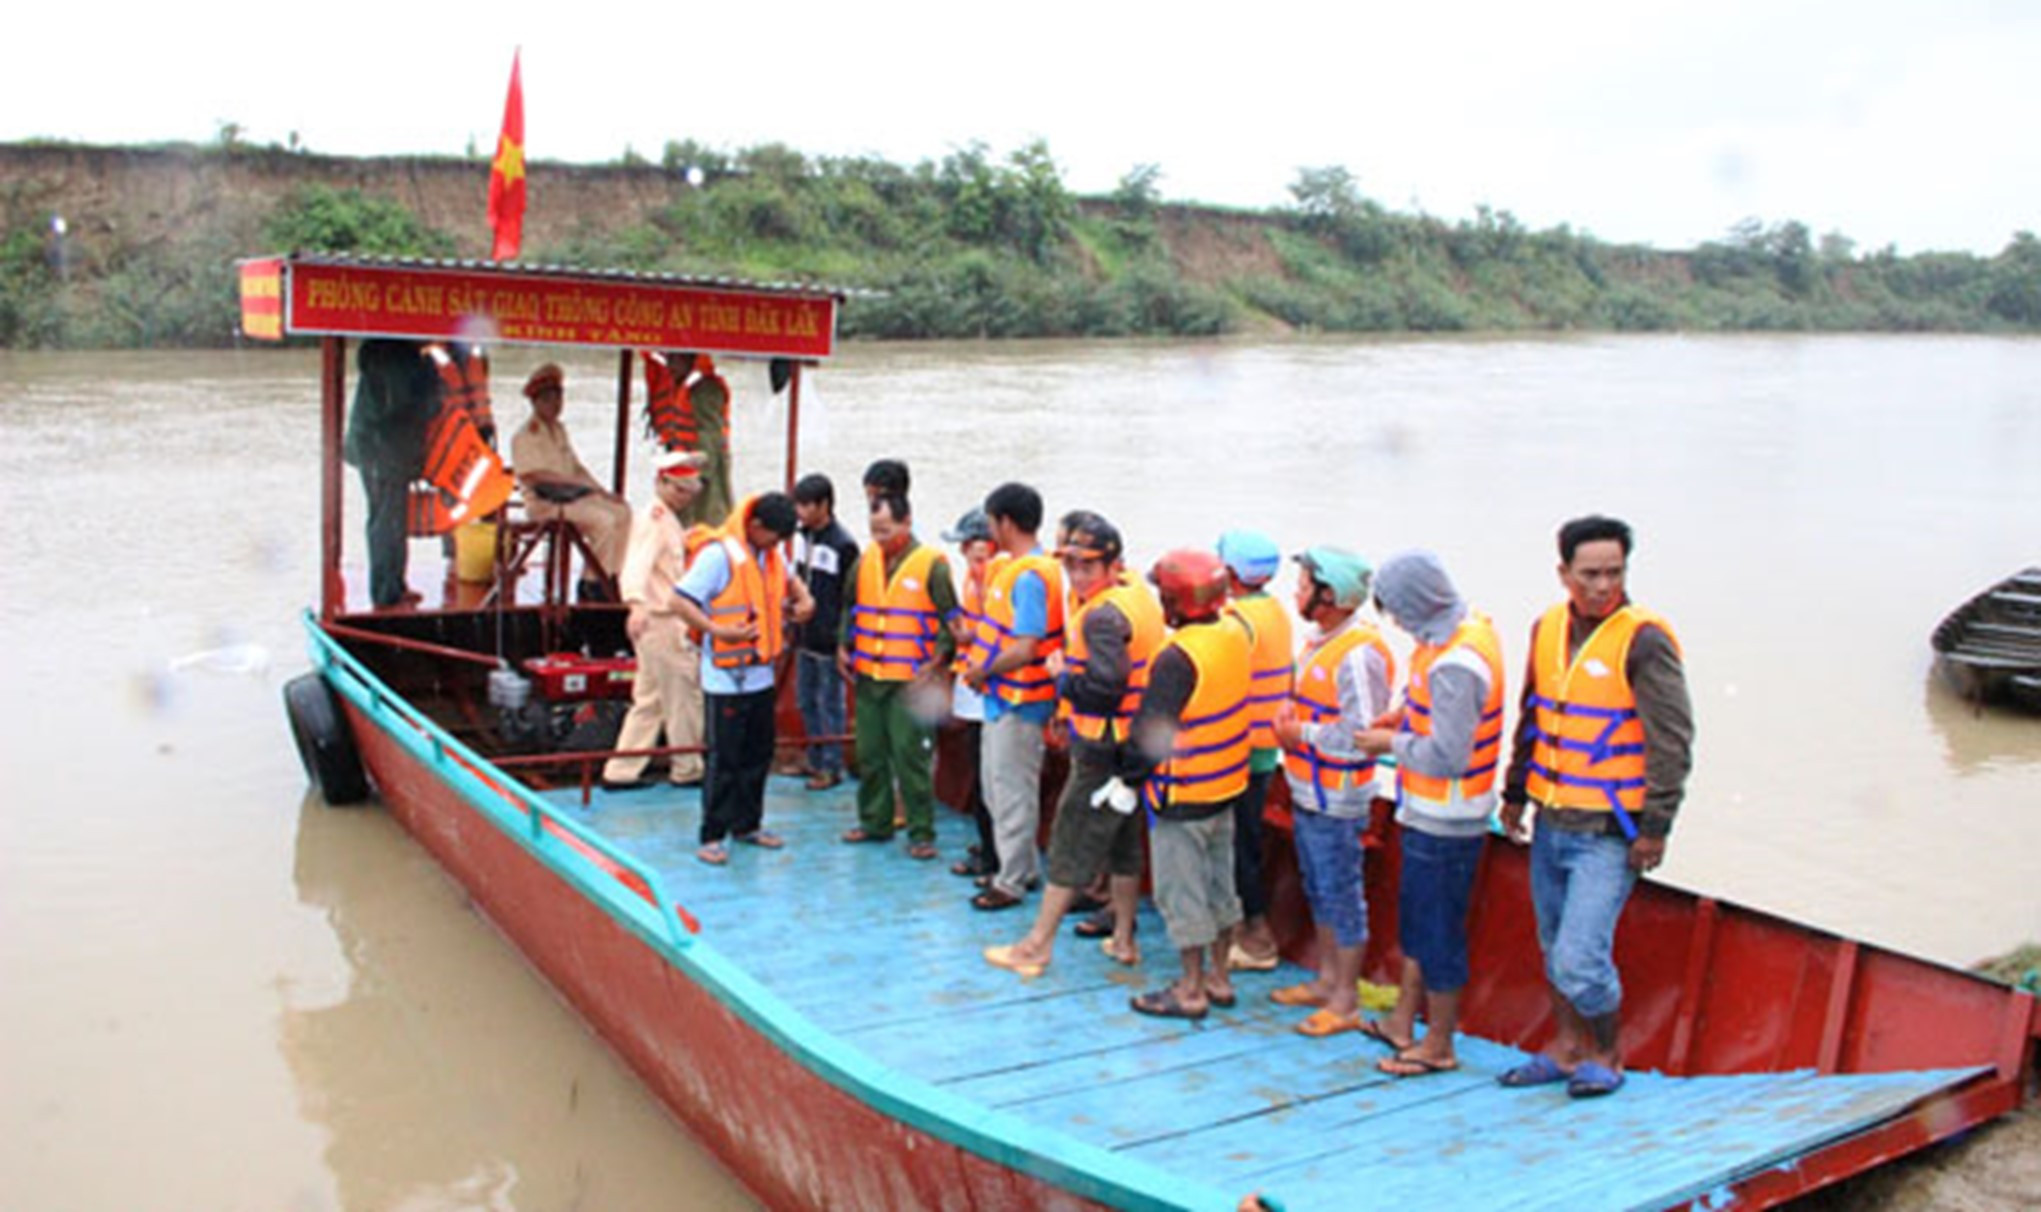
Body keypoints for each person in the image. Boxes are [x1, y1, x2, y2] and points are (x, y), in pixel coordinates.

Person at [1497, 515, 1694, 1098]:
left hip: (1610, 828)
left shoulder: (1645, 640)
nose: (1603, 586)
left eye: (1614, 573)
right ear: (1564, 573)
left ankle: (1606, 1053)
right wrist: (1514, 792)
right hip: (1552, 817)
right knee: (1552, 944)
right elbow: (1533, 715)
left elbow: (1672, 740)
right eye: (1590, 574)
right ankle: (1565, 1047)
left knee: (1580, 955)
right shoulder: (1547, 628)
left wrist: (1655, 826)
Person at [983, 514, 1162, 978]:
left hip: (1102, 748)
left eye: (1089, 567)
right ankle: (1124, 938)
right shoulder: (1137, 596)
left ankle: (1036, 946)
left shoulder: (1101, 617)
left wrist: (1062, 677)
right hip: (1133, 745)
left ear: (1113, 564)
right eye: (1072, 566)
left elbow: (1105, 690)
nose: (1078, 576)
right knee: (1123, 842)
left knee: (1069, 840)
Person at [1353, 550, 1506, 1078]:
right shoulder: (1458, 634)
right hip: (1425, 812)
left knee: (1437, 930)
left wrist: (1385, 742)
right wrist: (1400, 717)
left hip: (1448, 818)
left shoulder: (1457, 664)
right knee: (1419, 922)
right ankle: (1403, 1021)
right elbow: (1430, 711)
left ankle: (1438, 1042)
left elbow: (1448, 754)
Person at [1267, 547, 1394, 1037]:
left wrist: (1304, 735)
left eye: (1304, 585)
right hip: (1307, 788)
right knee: (1319, 887)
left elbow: (1362, 735)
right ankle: (1326, 980)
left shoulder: (1359, 654)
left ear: (1330, 596)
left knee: (1341, 893)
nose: (1296, 592)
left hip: (1338, 797)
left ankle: (1345, 999)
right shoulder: (1321, 641)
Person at [1126, 549, 1253, 1020]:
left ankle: (1191, 988)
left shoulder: (1177, 658)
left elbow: (1149, 733)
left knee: (1182, 893)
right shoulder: (1235, 633)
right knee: (1222, 886)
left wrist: (1125, 780)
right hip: (1225, 787)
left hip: (1182, 794)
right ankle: (1220, 978)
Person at [673, 492, 816, 865]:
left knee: (758, 753)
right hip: (725, 678)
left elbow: (793, 584)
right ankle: (713, 833)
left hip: (760, 674)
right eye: (773, 537)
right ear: (755, 527)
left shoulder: (772, 555)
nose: (777, 545)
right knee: (725, 758)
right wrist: (716, 629)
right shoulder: (718, 556)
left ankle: (748, 824)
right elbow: (680, 601)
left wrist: (804, 601)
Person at [960, 482, 1064, 911]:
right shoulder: (1015, 568)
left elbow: (1026, 645)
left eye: (991, 521)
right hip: (1001, 698)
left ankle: (1012, 878)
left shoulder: (1030, 578)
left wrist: (984, 669)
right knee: (996, 787)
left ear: (1006, 522)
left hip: (1021, 701)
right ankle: (1018, 866)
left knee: (1011, 789)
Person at [837, 493, 958, 858]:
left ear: (907, 523)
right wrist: (843, 643)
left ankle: (921, 831)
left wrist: (937, 661)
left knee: (910, 755)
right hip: (870, 676)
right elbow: (850, 606)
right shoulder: (865, 561)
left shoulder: (932, 566)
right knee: (869, 752)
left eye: (887, 531)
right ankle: (875, 821)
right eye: (874, 531)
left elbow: (950, 619)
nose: (880, 538)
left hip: (911, 680)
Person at [601, 450, 713, 789]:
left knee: (649, 700)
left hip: (657, 619)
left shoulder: (665, 519)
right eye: (680, 489)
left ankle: (621, 771)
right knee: (683, 696)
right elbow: (637, 566)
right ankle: (688, 767)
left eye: (689, 491)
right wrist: (635, 603)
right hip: (661, 618)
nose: (685, 496)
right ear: (662, 483)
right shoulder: (654, 520)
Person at [1216, 529, 1294, 971]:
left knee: (1235, 844)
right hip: (1265, 749)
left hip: (1236, 750)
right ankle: (1244, 931)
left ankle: (1255, 937)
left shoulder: (1236, 620)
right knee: (1245, 839)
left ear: (1230, 573)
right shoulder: (1276, 613)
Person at [510, 363, 632, 597]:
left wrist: (600, 491)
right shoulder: (526, 435)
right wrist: (579, 485)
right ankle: (591, 586)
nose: (555, 405)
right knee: (603, 521)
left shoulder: (559, 430)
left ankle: (611, 576)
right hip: (544, 504)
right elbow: (534, 476)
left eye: (558, 398)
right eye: (549, 399)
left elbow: (577, 468)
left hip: (570, 499)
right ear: (535, 402)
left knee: (621, 511)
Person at [342, 339, 439, 609]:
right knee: (386, 522)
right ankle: (386, 593)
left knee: (391, 520)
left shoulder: (388, 353)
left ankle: (395, 585)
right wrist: (431, 374)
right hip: (381, 453)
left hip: (378, 451)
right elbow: (411, 404)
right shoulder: (400, 360)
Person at [941, 507, 1001, 879]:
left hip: (988, 688)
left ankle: (994, 855)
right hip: (972, 682)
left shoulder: (995, 581)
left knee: (989, 778)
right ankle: (989, 845)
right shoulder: (976, 579)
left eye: (972, 548)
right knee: (980, 772)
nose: (964, 554)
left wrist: (969, 636)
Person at [791, 473, 861, 790]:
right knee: (806, 700)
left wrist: (844, 638)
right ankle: (815, 758)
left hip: (829, 638)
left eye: (806, 505)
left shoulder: (843, 545)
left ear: (824, 505)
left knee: (830, 703)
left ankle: (832, 766)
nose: (801, 511)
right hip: (804, 635)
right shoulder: (803, 537)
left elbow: (850, 598)